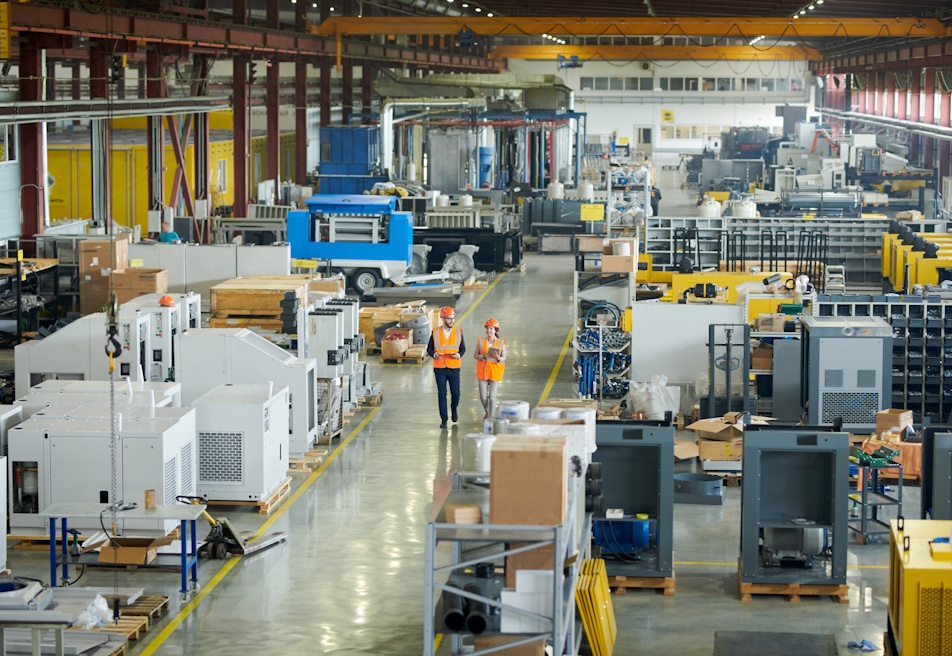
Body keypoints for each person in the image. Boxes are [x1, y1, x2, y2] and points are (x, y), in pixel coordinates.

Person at [426, 306, 466, 428]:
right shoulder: (435, 332)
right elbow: (429, 349)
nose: (452, 321)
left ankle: (454, 409)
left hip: (454, 368)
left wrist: (459, 355)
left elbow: (463, 349)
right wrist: (434, 354)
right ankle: (444, 419)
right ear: (443, 319)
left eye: (453, 318)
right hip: (440, 369)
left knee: (456, 394)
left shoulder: (458, 332)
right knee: (442, 394)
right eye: (449, 319)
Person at [474, 318, 506, 420]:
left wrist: (498, 358)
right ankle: (487, 411)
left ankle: (491, 418)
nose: (489, 331)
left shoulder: (501, 343)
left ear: (495, 330)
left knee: (492, 396)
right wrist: (484, 356)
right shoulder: (480, 342)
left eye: (491, 329)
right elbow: (475, 355)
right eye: (487, 329)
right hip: (483, 373)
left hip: (494, 373)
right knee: (483, 397)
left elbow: (504, 358)